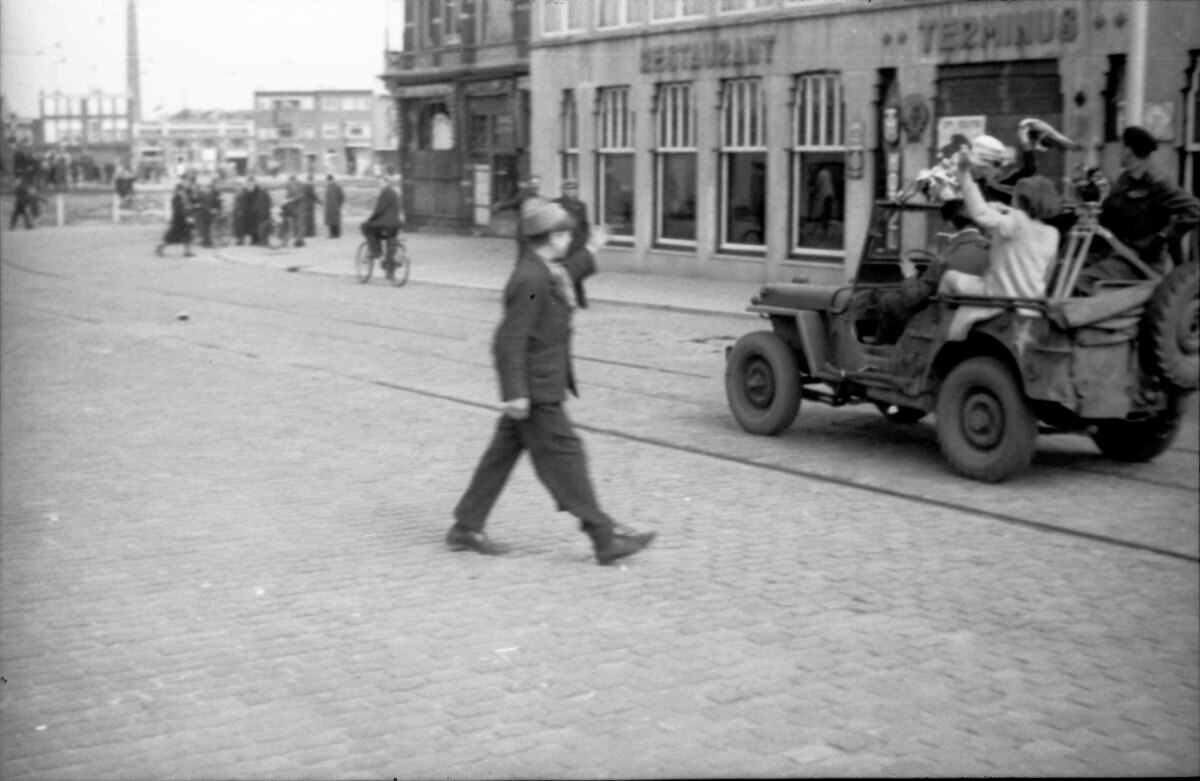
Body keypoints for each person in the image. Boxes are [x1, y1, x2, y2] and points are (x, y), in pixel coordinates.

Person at [447, 201, 656, 565]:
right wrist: (515, 393)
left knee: (500, 457)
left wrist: (593, 249)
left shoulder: (544, 270)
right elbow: (510, 338)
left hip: (537, 385)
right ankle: (604, 538)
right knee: (567, 456)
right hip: (535, 390)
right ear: (554, 237)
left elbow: (565, 275)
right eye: (567, 236)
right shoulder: (529, 280)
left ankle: (466, 526)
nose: (569, 242)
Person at [937, 152, 1062, 340]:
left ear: (1020, 200)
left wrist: (964, 174)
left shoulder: (1013, 223)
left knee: (949, 278)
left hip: (998, 294)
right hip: (1032, 298)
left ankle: (939, 329)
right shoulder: (1052, 233)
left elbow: (979, 214)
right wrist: (1004, 210)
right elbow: (1048, 271)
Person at [1077, 125, 1200, 291]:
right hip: (1115, 251)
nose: (1120, 152)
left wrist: (1163, 236)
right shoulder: (1125, 180)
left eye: (1122, 147)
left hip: (1140, 261)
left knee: (1080, 281)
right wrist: (1091, 199)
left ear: (1129, 150)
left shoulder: (1158, 183)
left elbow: (1195, 210)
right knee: (1063, 268)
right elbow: (1110, 213)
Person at [874, 199, 991, 344]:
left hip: (941, 317)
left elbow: (911, 300)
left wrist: (910, 275)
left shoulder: (944, 257)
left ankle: (883, 345)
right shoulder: (992, 250)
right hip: (982, 313)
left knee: (888, 299)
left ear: (949, 224)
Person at [555, 179, 591, 308]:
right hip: (562, 245)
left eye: (573, 189)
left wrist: (584, 239)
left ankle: (581, 300)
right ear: (563, 190)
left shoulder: (581, 206)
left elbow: (585, 225)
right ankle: (560, 299)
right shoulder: (557, 204)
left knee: (577, 272)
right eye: (568, 189)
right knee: (560, 272)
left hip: (576, 244)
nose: (571, 192)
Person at [361, 174, 405, 280]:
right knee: (391, 243)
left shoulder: (384, 193)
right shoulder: (395, 193)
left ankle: (376, 252)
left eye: (381, 183)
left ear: (386, 183)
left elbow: (379, 210)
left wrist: (370, 220)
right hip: (396, 224)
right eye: (378, 183)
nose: (379, 185)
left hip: (385, 224)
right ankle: (390, 271)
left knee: (366, 227)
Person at [156, 183, 196, 258]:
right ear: (177, 191)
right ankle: (159, 248)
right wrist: (186, 216)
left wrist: (189, 215)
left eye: (182, 190)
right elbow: (178, 210)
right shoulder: (176, 199)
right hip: (178, 221)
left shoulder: (184, 198)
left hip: (184, 221)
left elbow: (188, 207)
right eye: (180, 190)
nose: (182, 192)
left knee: (188, 236)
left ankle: (187, 252)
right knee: (170, 238)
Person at [323, 174, 345, 238]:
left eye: (329, 180)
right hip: (329, 208)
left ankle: (337, 234)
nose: (328, 182)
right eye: (328, 180)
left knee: (335, 221)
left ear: (332, 180)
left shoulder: (337, 187)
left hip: (335, 207)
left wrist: (339, 204)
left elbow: (342, 197)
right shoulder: (328, 187)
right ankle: (332, 234)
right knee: (330, 221)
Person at [301, 174, 321, 239]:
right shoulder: (310, 186)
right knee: (310, 220)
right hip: (309, 205)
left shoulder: (303, 186)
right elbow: (313, 196)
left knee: (306, 219)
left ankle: (306, 232)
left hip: (304, 205)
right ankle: (310, 233)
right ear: (311, 179)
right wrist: (320, 201)